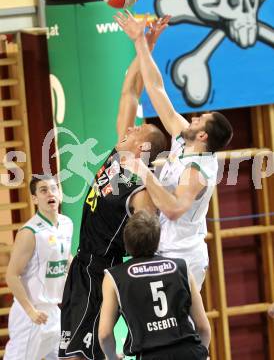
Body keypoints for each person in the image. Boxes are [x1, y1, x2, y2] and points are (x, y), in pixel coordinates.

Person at [59, 21, 168, 360]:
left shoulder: (139, 189)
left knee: (84, 354)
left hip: (99, 269)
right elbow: (130, 91)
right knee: (72, 352)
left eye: (140, 130)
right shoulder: (119, 153)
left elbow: (148, 232)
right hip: (81, 265)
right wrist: (143, 45)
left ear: (142, 151)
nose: (133, 127)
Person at [115, 11, 233, 290]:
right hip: (164, 248)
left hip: (183, 256)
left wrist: (144, 171)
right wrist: (142, 43)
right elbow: (156, 89)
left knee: (184, 330)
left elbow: (175, 210)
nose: (193, 118)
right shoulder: (184, 139)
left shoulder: (197, 171)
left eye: (199, 119)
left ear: (203, 134)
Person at [99, 210, 211, 360]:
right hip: (189, 352)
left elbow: (104, 334)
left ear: (126, 242)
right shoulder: (181, 267)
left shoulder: (114, 277)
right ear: (158, 241)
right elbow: (203, 328)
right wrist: (201, 353)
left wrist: (112, 357)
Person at [4, 175, 73, 360]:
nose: (50, 193)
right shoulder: (29, 232)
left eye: (53, 189)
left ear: (60, 194)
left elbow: (65, 256)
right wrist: (30, 312)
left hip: (53, 311)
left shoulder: (66, 224)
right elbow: (11, 275)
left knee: (64, 356)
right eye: (43, 190)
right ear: (34, 199)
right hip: (31, 313)